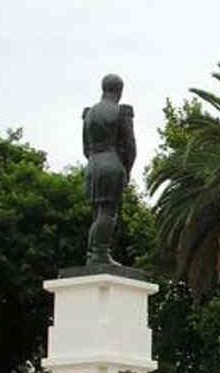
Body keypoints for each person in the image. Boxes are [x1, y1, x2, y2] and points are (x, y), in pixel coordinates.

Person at [82, 73, 135, 265]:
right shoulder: (122, 112)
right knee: (108, 212)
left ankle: (92, 254)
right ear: (120, 90)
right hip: (111, 163)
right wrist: (126, 169)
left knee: (98, 212)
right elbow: (130, 146)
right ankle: (100, 253)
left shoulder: (89, 113)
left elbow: (85, 148)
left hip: (93, 165)